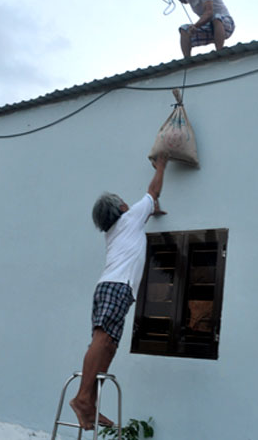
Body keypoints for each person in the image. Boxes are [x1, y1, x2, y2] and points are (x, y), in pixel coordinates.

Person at [70, 154, 168, 430]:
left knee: (109, 345)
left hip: (113, 288)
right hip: (117, 286)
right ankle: (81, 399)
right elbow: (153, 192)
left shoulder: (119, 228)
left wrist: (150, 211)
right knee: (102, 340)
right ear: (122, 207)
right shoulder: (130, 219)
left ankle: (90, 403)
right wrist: (161, 166)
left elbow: (146, 208)